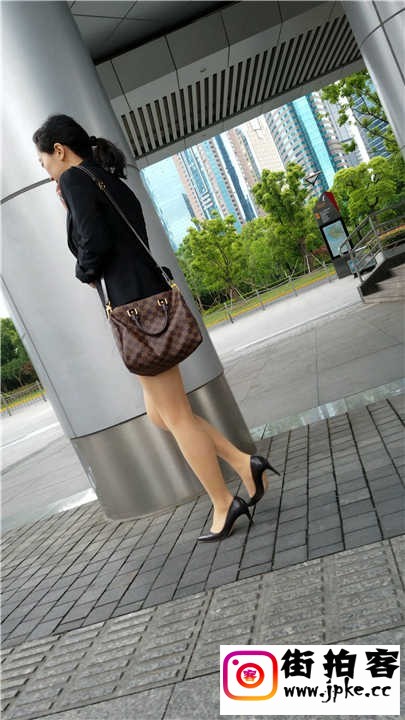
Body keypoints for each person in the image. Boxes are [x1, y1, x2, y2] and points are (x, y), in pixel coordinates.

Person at [33, 114, 279, 542]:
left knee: (176, 415)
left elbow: (95, 243)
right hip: (148, 300)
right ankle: (244, 463)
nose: (47, 172)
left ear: (59, 150)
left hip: (136, 309)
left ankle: (224, 502)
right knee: (160, 415)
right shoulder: (108, 180)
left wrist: (84, 271)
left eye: (45, 163)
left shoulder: (75, 179)